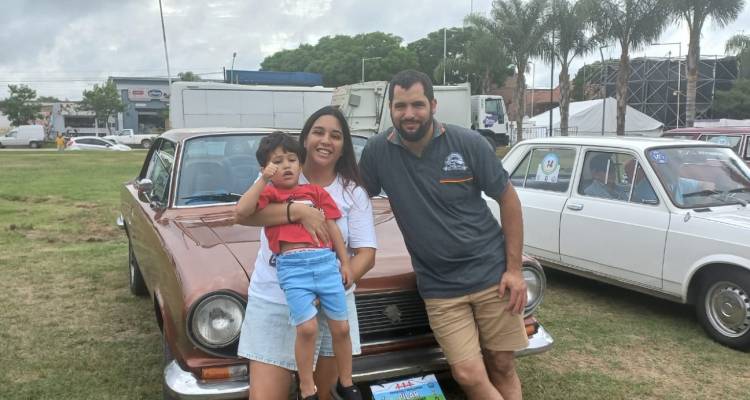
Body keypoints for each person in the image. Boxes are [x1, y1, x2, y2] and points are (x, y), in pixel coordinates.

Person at [358, 70, 528, 400]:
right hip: (439, 287)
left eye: (418, 105)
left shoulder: (468, 143)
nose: (409, 114)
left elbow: (508, 200)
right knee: (466, 372)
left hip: (492, 275)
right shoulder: (378, 152)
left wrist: (515, 269)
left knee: (503, 364)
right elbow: (355, 199)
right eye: (400, 106)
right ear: (390, 108)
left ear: (433, 105)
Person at [235, 106, 377, 400]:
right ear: (305, 140)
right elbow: (245, 215)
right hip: (274, 299)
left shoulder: (353, 192)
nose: (326, 140)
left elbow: (366, 254)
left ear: (343, 147)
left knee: (322, 396)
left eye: (335, 136)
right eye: (318, 132)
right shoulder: (277, 176)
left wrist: (332, 282)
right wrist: (298, 211)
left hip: (331, 301)